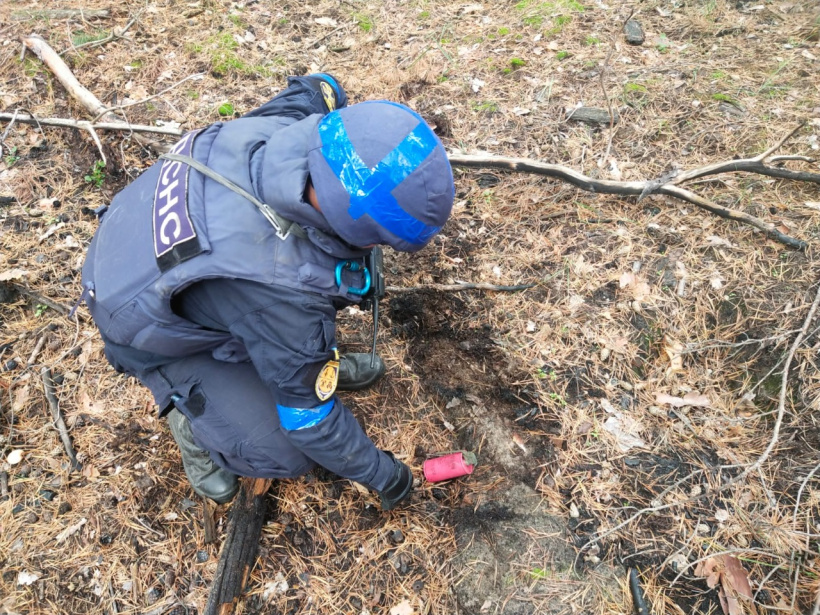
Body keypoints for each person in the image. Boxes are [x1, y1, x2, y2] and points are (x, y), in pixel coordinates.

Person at [80, 74, 455, 509]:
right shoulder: (280, 287)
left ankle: (294, 361)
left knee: (295, 311)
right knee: (286, 450)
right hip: (133, 315)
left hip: (134, 233)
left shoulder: (295, 126)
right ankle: (190, 416)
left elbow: (320, 86)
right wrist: (387, 476)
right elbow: (310, 424)